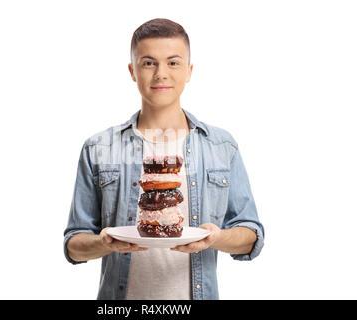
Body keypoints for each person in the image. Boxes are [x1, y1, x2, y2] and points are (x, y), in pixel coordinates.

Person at [63, 18, 264, 300]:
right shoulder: (99, 147)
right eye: (148, 63)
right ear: (132, 71)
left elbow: (251, 236)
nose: (161, 74)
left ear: (189, 70)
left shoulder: (221, 146)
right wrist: (104, 242)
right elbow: (73, 244)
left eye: (173, 63)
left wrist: (217, 238)